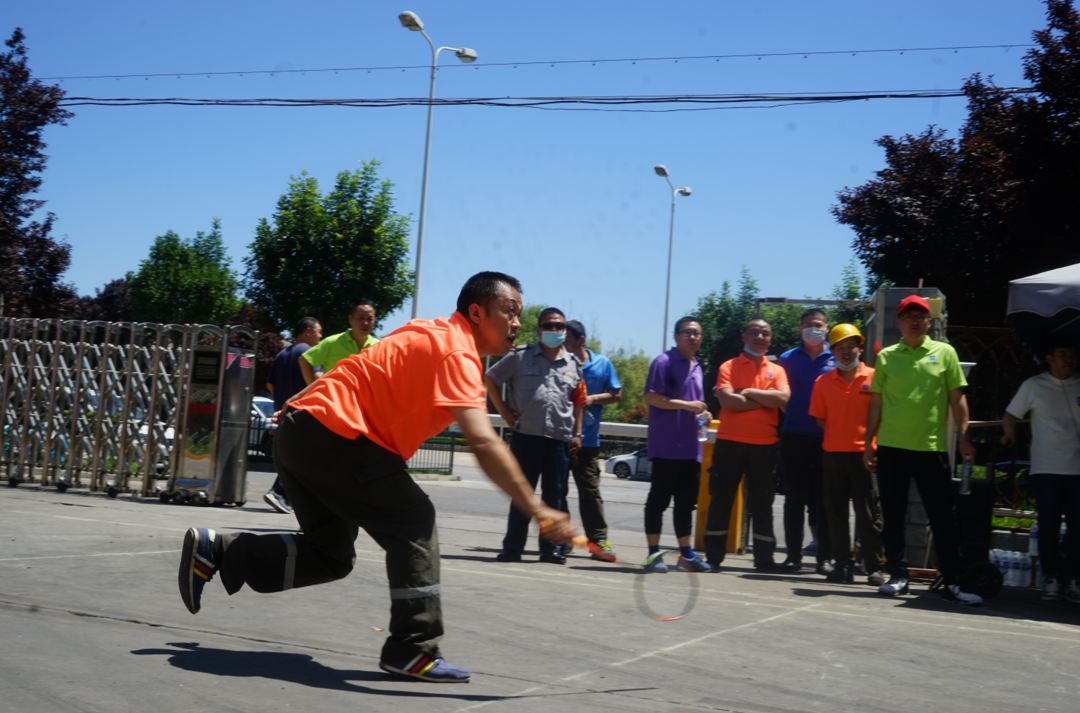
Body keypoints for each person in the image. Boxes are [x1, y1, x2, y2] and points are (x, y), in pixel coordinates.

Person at [176, 272, 574, 683]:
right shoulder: (458, 353)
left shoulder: (427, 330)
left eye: (519, 315)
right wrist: (538, 508)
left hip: (306, 432)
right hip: (337, 437)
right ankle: (412, 648)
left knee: (330, 554)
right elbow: (485, 442)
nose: (517, 324)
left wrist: (307, 399)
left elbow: (364, 365)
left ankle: (219, 550)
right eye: (509, 312)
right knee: (413, 518)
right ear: (476, 312)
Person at [864, 294, 983, 605]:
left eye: (921, 316)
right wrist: (868, 444)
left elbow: (957, 398)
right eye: (908, 316)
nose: (915, 321)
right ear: (898, 322)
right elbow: (875, 402)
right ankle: (899, 575)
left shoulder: (945, 353)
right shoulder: (887, 356)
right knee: (892, 516)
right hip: (891, 447)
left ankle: (954, 582)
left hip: (931, 449)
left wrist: (965, 439)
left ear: (930, 322)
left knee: (942, 517)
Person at [485, 307, 586, 565]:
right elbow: (491, 378)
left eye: (559, 327)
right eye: (549, 326)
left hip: (559, 440)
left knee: (555, 497)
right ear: (539, 329)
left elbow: (579, 401)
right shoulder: (520, 357)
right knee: (522, 495)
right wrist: (503, 409)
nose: (554, 331)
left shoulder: (573, 364)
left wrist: (577, 433)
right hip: (526, 437)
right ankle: (512, 548)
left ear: (565, 331)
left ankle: (549, 550)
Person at [704, 319, 791, 572]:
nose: (760, 336)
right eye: (754, 332)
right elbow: (729, 402)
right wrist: (766, 399)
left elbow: (784, 398)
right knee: (721, 500)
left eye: (765, 333)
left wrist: (747, 392)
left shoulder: (778, 370)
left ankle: (764, 559)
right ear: (744, 336)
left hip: (765, 445)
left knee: (763, 504)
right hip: (730, 443)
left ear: (770, 340)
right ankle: (713, 557)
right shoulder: (728, 366)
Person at [1002, 336, 1080, 604]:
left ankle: (1072, 578)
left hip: (1077, 468)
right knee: (1048, 524)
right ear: (1049, 358)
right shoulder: (1034, 386)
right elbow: (1010, 415)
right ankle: (1051, 578)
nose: (1069, 358)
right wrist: (1010, 432)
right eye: (1062, 353)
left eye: (1072, 353)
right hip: (1046, 467)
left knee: (1078, 526)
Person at [808, 324, 884, 586]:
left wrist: (868, 445)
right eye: (840, 347)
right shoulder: (823, 382)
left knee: (868, 513)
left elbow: (882, 416)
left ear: (859, 348)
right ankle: (842, 564)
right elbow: (820, 420)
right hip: (833, 454)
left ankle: (873, 566)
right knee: (835, 512)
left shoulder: (876, 378)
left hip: (865, 454)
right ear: (832, 351)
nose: (846, 352)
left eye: (851, 346)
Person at [642, 317, 712, 573]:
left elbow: (698, 405)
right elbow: (651, 397)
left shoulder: (698, 367)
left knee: (685, 504)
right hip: (666, 447)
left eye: (697, 333)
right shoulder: (663, 362)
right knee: (658, 502)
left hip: (691, 449)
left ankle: (686, 555)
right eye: (687, 333)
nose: (692, 337)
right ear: (675, 336)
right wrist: (687, 405)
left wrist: (704, 415)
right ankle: (653, 555)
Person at [777, 308, 836, 575]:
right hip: (794, 437)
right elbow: (779, 396)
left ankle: (824, 557)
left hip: (827, 439)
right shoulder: (787, 359)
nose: (813, 329)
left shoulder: (837, 357)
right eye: (808, 325)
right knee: (794, 499)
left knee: (824, 500)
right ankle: (793, 557)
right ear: (800, 329)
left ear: (827, 328)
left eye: (818, 325)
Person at [563, 319, 622, 563]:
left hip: (588, 442)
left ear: (581, 340)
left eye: (566, 341)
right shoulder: (559, 363)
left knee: (590, 494)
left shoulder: (602, 364)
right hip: (560, 439)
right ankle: (562, 540)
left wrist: (592, 399)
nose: (562, 345)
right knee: (557, 491)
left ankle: (598, 542)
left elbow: (616, 394)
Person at [263, 317, 322, 515]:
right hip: (302, 414)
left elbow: (269, 385)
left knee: (298, 457)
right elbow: (317, 381)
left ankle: (288, 496)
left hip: (281, 415)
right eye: (318, 332)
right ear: (308, 331)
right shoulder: (309, 353)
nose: (320, 337)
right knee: (307, 456)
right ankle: (280, 493)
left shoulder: (280, 355)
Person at [299, 299, 378, 383]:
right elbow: (304, 360)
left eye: (369, 319)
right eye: (361, 318)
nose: (365, 323)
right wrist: (313, 389)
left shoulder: (378, 345)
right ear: (350, 318)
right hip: (335, 396)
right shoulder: (332, 342)